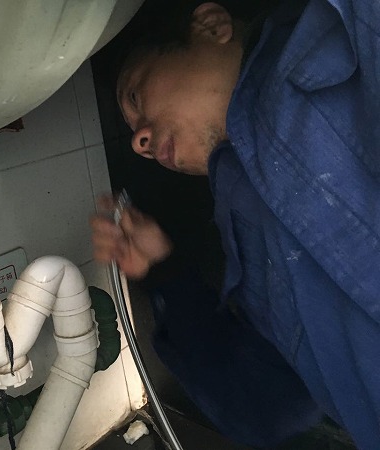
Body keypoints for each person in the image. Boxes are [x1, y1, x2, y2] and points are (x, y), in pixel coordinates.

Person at [90, 0, 380, 448]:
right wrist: (166, 275)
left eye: (135, 96)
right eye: (133, 133)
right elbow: (272, 409)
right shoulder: (244, 234)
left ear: (211, 26)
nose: (138, 142)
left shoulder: (340, 32)